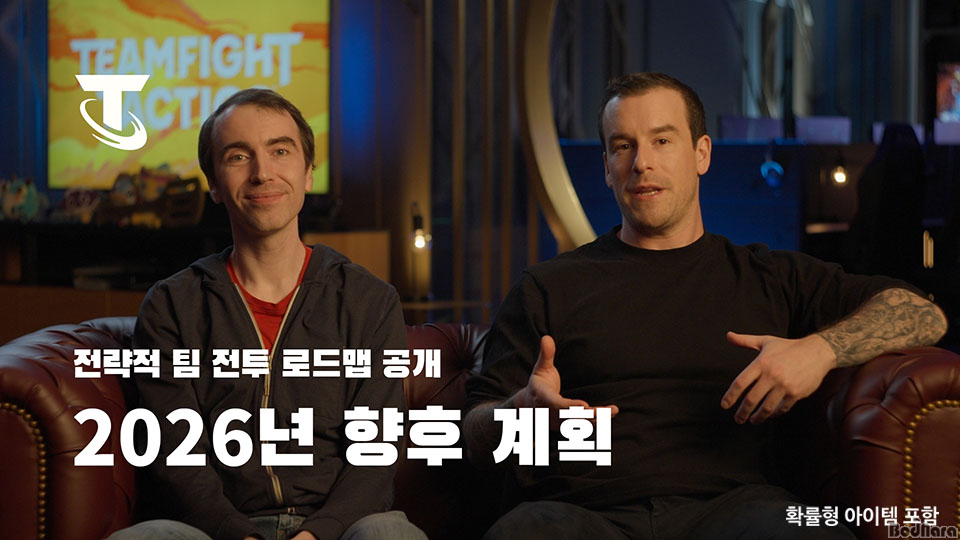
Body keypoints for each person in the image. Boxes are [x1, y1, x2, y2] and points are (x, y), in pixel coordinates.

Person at [464, 72, 948, 540]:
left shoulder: (769, 276)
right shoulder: (547, 286)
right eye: (623, 146)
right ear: (607, 167)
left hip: (738, 511)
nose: (641, 163)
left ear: (702, 153)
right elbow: (469, 436)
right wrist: (519, 412)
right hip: (579, 514)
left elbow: (923, 312)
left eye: (662, 140)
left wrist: (820, 350)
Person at [109, 89, 426, 540]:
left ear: (308, 171)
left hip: (340, 529)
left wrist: (315, 535)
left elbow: (375, 454)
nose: (262, 173)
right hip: (217, 531)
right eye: (239, 156)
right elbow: (176, 456)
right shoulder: (172, 305)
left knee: (390, 534)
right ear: (214, 184)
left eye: (280, 151)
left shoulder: (369, 300)